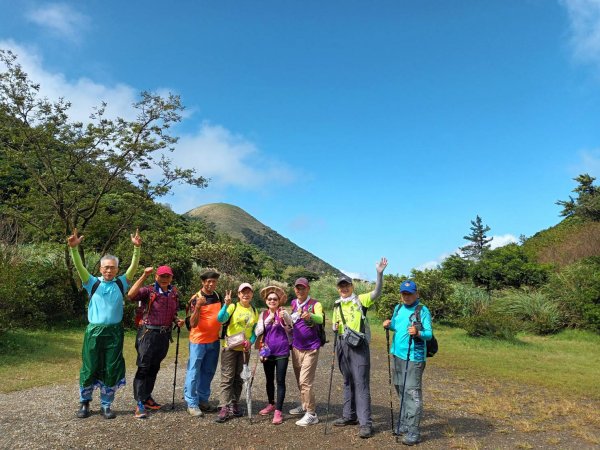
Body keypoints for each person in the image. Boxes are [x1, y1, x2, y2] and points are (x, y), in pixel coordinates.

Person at [67, 227, 141, 419]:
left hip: (115, 332)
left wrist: (136, 249)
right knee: (90, 366)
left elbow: (133, 268)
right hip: (94, 331)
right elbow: (79, 267)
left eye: (112, 267)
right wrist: (74, 249)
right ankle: (84, 403)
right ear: (100, 268)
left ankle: (106, 405)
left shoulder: (121, 283)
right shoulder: (92, 282)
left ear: (117, 269)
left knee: (111, 366)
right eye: (105, 267)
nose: (109, 270)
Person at [331, 257, 388, 439]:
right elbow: (336, 325)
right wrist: (334, 327)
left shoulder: (361, 300)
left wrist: (379, 274)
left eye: (347, 285)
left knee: (361, 383)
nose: (344, 288)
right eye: (341, 286)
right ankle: (349, 416)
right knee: (347, 381)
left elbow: (377, 292)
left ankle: (366, 424)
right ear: (338, 288)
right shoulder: (336, 304)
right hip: (342, 344)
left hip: (358, 346)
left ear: (352, 286)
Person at [127, 265, 184, 419]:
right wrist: (144, 276)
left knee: (154, 367)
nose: (165, 279)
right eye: (162, 276)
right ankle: (139, 402)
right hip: (148, 334)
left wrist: (176, 320)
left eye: (168, 276)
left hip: (164, 335)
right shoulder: (148, 290)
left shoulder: (173, 293)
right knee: (143, 367)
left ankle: (146, 397)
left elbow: (173, 312)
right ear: (156, 277)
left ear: (171, 277)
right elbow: (131, 295)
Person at [382, 280, 433, 446]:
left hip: (414, 357)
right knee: (401, 389)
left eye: (410, 293)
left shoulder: (422, 310)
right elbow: (397, 326)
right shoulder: (398, 308)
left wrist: (418, 332)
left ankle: (413, 431)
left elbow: (429, 334)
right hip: (397, 354)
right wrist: (389, 325)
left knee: (412, 393)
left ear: (416, 294)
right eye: (404, 293)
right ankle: (404, 423)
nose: (407, 296)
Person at [215, 282, 259, 423]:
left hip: (244, 350)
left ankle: (235, 403)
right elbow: (220, 319)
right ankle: (224, 406)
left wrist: (251, 341)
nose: (246, 294)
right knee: (227, 377)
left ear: (252, 294)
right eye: (243, 292)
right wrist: (226, 305)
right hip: (230, 347)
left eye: (249, 292)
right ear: (239, 294)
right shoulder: (233, 306)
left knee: (240, 378)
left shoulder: (254, 311)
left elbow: (255, 331)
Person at [183, 270, 223, 417]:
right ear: (203, 282)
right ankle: (191, 403)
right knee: (193, 372)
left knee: (208, 371)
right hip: (198, 342)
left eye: (214, 281)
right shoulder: (196, 298)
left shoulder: (218, 296)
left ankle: (203, 400)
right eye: (208, 281)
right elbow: (192, 323)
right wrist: (198, 307)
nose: (211, 284)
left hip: (213, 340)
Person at [288, 277, 324, 426]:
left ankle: (311, 413)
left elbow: (320, 319)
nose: (299, 290)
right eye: (297, 288)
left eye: (302, 288)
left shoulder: (315, 304)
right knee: (299, 380)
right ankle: (304, 405)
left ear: (308, 289)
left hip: (311, 348)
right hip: (296, 347)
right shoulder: (293, 303)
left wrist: (311, 316)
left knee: (305, 381)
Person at [254, 285, 293, 425]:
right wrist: (268, 319)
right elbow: (257, 332)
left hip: (282, 351)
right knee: (269, 379)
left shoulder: (283, 312)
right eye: (269, 299)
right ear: (266, 301)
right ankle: (271, 403)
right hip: (267, 351)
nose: (272, 301)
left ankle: (278, 411)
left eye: (275, 299)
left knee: (280, 380)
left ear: (279, 301)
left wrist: (286, 318)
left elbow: (291, 326)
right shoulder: (263, 314)